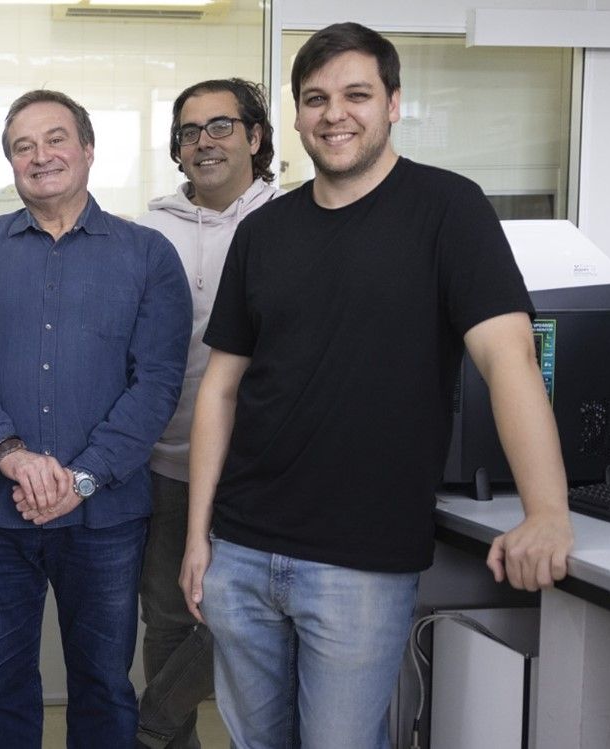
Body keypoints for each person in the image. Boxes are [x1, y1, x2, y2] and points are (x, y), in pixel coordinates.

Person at [180, 22, 575, 749]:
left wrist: (547, 509)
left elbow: (508, 356)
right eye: (315, 97)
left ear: (393, 103)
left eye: (356, 94)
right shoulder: (264, 233)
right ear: (294, 118)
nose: (334, 113)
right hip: (239, 550)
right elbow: (220, 389)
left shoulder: (448, 209)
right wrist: (198, 535)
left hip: (359, 564)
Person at [0, 89, 192, 749]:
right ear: (10, 162)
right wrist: (12, 454)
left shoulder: (148, 255)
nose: (39, 156)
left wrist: (80, 478)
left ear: (87, 150)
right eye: (22, 145)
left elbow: (156, 381)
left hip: (104, 517)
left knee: (102, 682)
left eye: (54, 139)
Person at [134, 78, 282, 749]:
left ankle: (150, 725)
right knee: (166, 614)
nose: (204, 142)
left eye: (220, 126)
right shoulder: (151, 229)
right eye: (190, 131)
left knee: (236, 611)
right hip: (166, 457)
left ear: (254, 137)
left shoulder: (292, 220)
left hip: (262, 464)